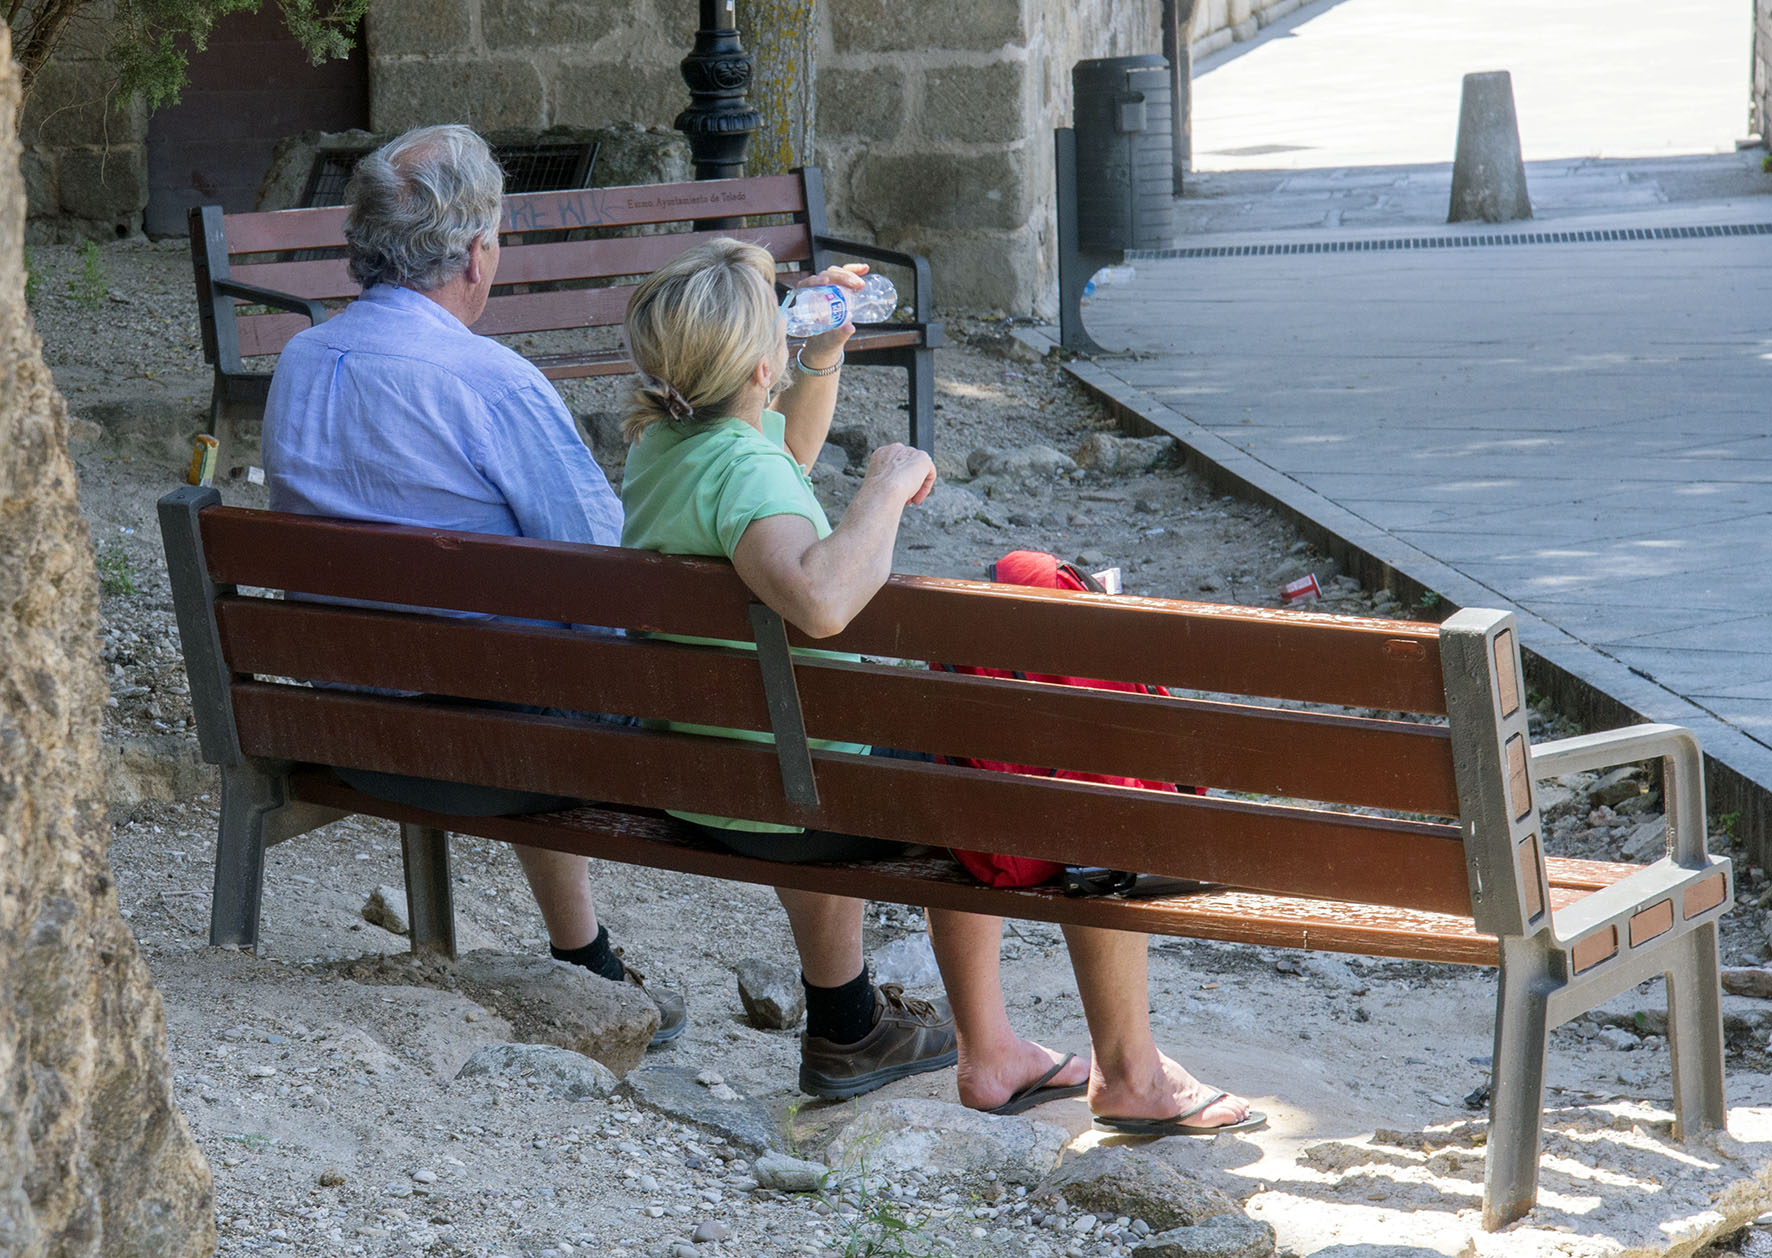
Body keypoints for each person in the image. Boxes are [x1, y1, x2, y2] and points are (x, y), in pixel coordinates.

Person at [619, 237, 1264, 1133]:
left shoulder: (671, 448)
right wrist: (884, 485)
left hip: (712, 777)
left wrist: (821, 352)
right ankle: (1130, 1072)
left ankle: (995, 1049)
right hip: (806, 796)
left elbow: (779, 460)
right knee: (1074, 743)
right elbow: (819, 598)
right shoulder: (741, 472)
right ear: (756, 365)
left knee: (973, 717)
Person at [260, 123, 684, 1046]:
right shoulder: (494, 384)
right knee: (571, 655)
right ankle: (843, 1008)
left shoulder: (298, 362)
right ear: (478, 250)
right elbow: (612, 577)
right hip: (485, 746)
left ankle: (584, 956)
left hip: (342, 720)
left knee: (521, 649)